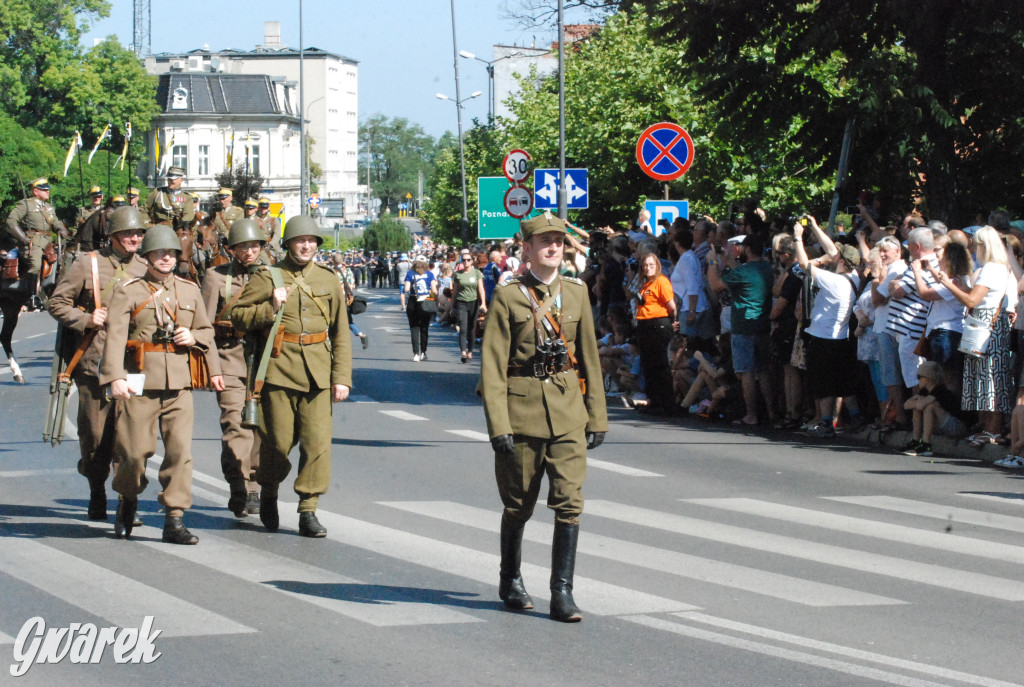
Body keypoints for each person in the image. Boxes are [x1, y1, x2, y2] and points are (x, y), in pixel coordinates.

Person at [480, 211, 608, 623]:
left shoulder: (577, 292)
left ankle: (562, 592)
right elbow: (493, 367)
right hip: (522, 414)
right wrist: (498, 425)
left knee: (570, 503)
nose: (554, 247)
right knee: (518, 504)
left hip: (568, 411)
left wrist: (597, 415)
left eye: (559, 241)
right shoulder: (509, 296)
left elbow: (589, 355)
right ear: (528, 248)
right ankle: (510, 578)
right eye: (545, 242)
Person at [231, 215, 353, 537]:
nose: (307, 245)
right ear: (287, 244)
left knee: (317, 444)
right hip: (279, 368)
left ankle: (308, 509)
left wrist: (341, 378)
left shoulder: (329, 280)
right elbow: (238, 317)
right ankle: (269, 489)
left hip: (318, 371)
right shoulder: (267, 276)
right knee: (278, 444)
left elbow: (340, 332)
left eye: (312, 241)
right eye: (300, 240)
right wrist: (270, 307)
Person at [99, 224, 218, 544]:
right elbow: (115, 337)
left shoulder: (190, 289)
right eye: (159, 253)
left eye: (171, 253)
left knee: (180, 452)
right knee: (133, 453)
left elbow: (207, 331)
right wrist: (115, 377)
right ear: (147, 256)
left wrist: (192, 336)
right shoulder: (129, 289)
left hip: (179, 382)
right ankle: (128, 499)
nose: (166, 258)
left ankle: (174, 519)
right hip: (138, 379)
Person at [48, 207, 149, 520]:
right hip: (95, 361)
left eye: (139, 233)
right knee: (94, 438)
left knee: (130, 439)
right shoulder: (87, 263)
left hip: (133, 363)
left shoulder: (147, 268)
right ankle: (96, 487)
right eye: (128, 233)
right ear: (113, 235)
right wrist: (86, 318)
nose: (134, 238)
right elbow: (57, 303)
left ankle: (126, 498)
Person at [200, 218, 266, 519]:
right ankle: (240, 485)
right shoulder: (215, 277)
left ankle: (255, 483)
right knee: (235, 424)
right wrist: (212, 367)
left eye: (254, 246)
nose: (250, 252)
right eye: (243, 247)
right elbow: (203, 327)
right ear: (232, 250)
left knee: (260, 428)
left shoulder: (272, 277)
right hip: (229, 357)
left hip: (265, 361)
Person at [930, 226, 1014, 445]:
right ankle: (987, 427)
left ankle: (992, 430)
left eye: (976, 244)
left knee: (990, 381)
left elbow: (972, 301)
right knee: (982, 380)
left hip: (988, 328)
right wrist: (961, 288)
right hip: (985, 325)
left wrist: (948, 284)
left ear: (985, 246)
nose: (973, 249)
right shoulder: (995, 267)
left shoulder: (991, 268)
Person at [792, 217, 865, 438]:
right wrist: (815, 225)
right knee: (842, 382)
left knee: (822, 384)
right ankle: (857, 417)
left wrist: (798, 237)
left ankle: (825, 424)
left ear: (841, 262)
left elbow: (805, 266)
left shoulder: (833, 281)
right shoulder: (854, 278)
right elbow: (832, 250)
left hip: (822, 337)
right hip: (841, 337)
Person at [708, 233, 775, 425]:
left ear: (747, 249)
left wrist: (712, 263)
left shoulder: (743, 272)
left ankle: (751, 415)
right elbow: (743, 274)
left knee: (745, 372)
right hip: (762, 325)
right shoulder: (765, 268)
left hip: (743, 326)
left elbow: (715, 285)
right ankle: (771, 412)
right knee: (763, 371)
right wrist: (728, 259)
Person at [5, 177, 68, 308]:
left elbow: (55, 222)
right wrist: (23, 238)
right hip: (33, 242)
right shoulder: (26, 204)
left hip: (49, 241)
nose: (47, 192)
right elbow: (11, 222)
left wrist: (62, 230)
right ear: (35, 191)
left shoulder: (49, 207)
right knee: (36, 264)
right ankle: (33, 295)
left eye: (48, 190)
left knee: (66, 260)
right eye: (44, 190)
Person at [634, 252, 678, 414]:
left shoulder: (661, 281)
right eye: (645, 265)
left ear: (657, 266)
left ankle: (666, 404)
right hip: (644, 324)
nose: (648, 268)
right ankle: (654, 400)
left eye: (651, 265)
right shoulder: (646, 284)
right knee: (648, 364)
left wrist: (673, 321)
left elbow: (671, 305)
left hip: (658, 323)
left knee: (659, 364)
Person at [899, 361, 970, 457]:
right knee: (918, 407)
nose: (917, 380)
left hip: (957, 427)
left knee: (930, 406)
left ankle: (926, 444)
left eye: (919, 377)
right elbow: (906, 405)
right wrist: (919, 400)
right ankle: (915, 441)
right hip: (942, 426)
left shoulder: (940, 391)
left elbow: (921, 404)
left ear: (928, 379)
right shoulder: (925, 391)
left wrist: (919, 401)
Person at [400, 255, 437, 361]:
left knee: (414, 327)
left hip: (413, 301)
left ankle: (416, 353)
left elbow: (406, 289)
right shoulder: (430, 274)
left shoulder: (410, 273)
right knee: (424, 328)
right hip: (426, 302)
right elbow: (434, 290)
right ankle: (423, 352)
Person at [451, 251, 486, 362]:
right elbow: (455, 291)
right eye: (464, 260)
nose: (466, 262)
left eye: (468, 260)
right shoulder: (458, 274)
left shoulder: (477, 273)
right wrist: (452, 306)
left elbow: (480, 289)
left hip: (474, 302)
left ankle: (470, 351)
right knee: (463, 327)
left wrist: (483, 303)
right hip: (461, 302)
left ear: (472, 261)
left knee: (471, 328)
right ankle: (463, 352)